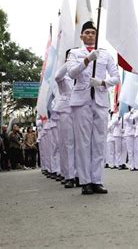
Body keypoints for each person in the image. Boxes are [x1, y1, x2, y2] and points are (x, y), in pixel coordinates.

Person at [67, 21, 120, 195]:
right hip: (81, 99)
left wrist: (103, 82)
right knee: (83, 142)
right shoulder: (75, 53)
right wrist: (87, 60)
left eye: (93, 33)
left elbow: (116, 77)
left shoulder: (105, 55)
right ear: (81, 36)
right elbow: (71, 73)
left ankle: (97, 180)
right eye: (87, 32)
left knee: (98, 141)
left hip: (100, 98)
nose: (90, 35)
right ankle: (85, 181)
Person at [54, 52, 76, 187]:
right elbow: (57, 76)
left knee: (80, 143)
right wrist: (69, 63)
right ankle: (69, 175)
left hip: (80, 107)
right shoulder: (64, 73)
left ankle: (80, 174)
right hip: (66, 108)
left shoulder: (80, 72)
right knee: (67, 143)